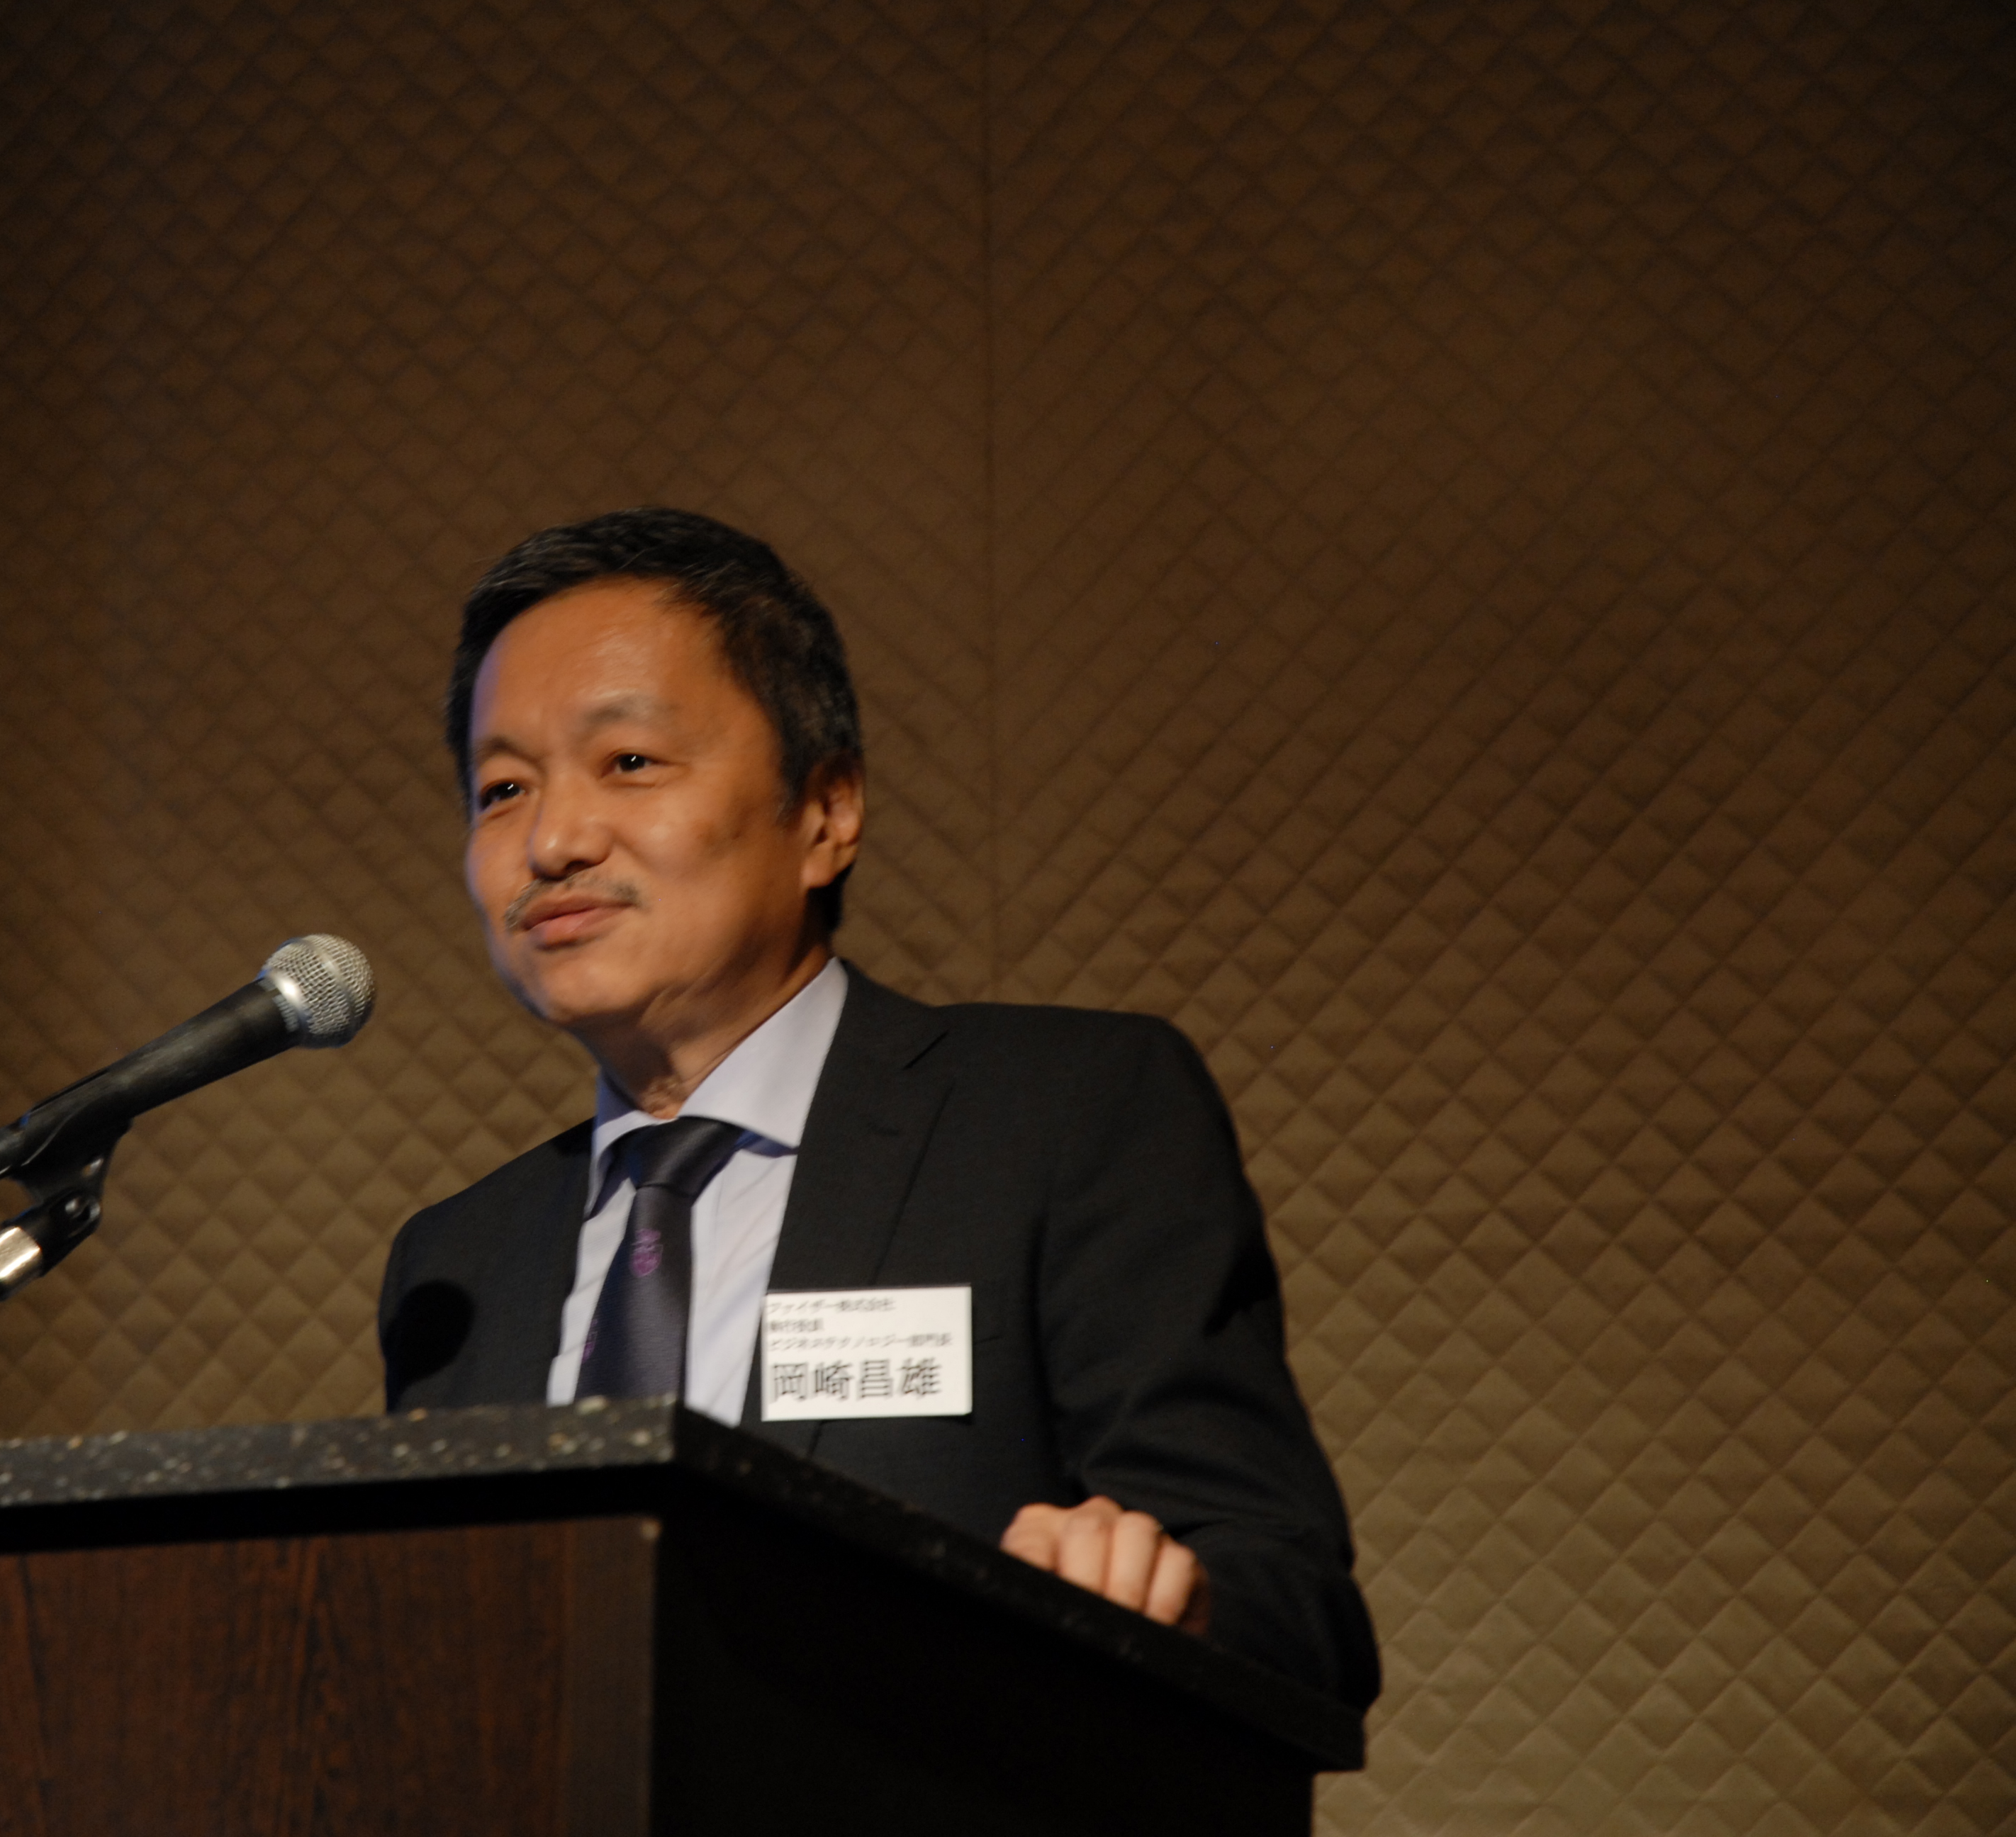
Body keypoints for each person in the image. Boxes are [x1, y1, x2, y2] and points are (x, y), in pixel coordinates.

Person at [377, 507, 1379, 1707]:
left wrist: (1170, 1598)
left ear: (826, 813)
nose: (552, 840)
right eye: (501, 789)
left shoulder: (1062, 1117)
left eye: (629, 763)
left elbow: (1291, 1601)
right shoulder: (458, 1264)